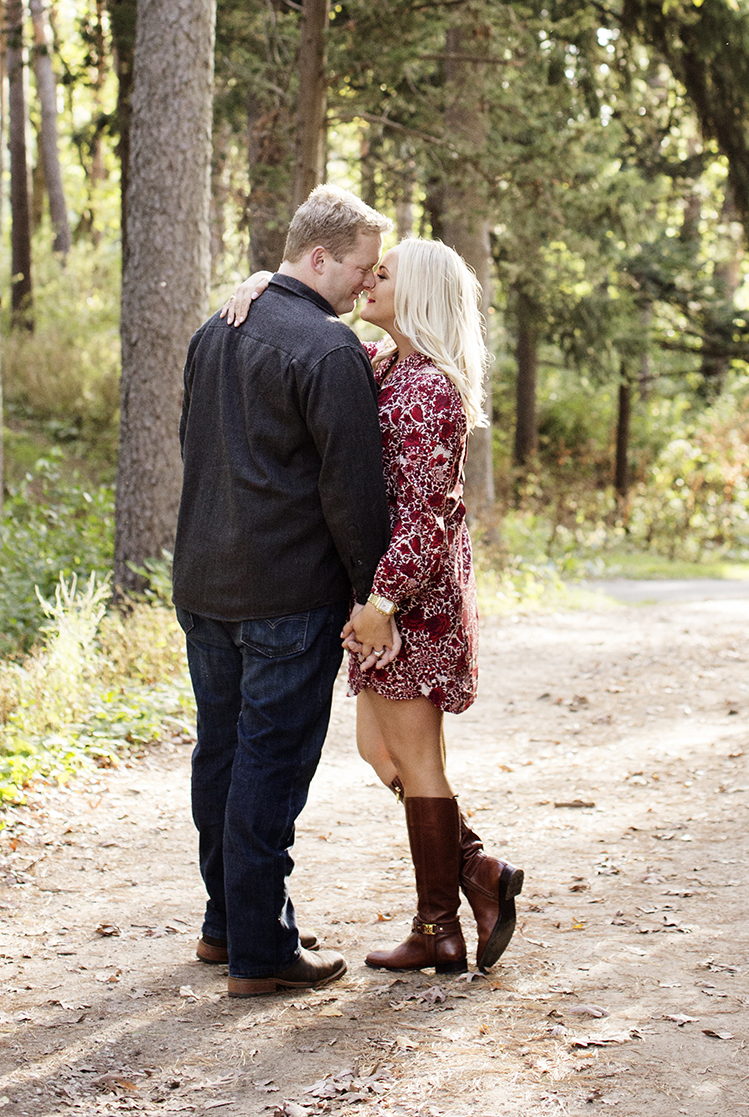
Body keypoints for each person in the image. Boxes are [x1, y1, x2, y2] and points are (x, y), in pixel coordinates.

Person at [222, 236, 524, 975]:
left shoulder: (429, 389)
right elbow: (312, 334)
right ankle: (477, 874)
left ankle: (437, 929)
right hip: (384, 591)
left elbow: (425, 515)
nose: (369, 280)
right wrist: (264, 281)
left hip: (409, 596)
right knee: (377, 750)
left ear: (415, 292)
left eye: (383, 274)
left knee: (415, 759)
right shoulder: (389, 365)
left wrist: (383, 603)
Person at [171, 183, 398, 997]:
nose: (363, 287)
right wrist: (372, 597)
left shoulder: (214, 329)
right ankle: (261, 951)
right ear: (317, 258)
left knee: (221, 753)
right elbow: (351, 493)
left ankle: (225, 923)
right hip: (285, 594)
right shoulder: (329, 351)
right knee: (269, 763)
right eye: (359, 270)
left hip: (202, 582)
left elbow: (193, 440)